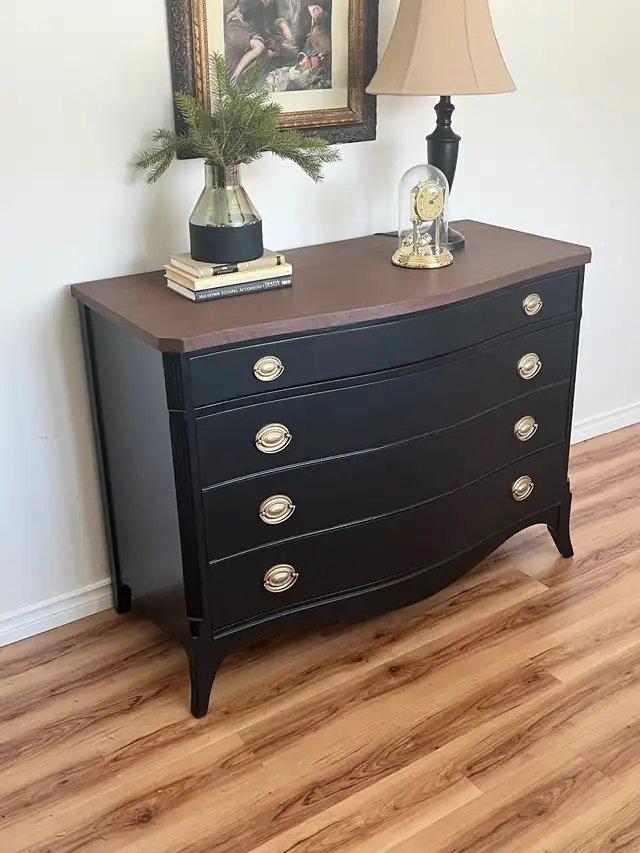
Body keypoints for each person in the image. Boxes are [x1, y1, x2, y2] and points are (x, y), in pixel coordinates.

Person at [225, 0, 267, 81]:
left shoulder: (258, 5)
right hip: (238, 27)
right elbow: (250, 17)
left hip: (247, 28)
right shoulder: (252, 4)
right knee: (260, 48)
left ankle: (239, 75)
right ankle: (236, 76)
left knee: (264, 51)